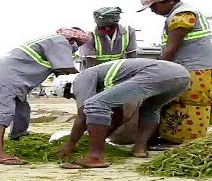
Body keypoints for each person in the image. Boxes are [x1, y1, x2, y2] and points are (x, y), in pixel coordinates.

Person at [58, 59, 190, 168]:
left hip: (157, 73)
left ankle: (95, 157)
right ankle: (139, 149)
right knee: (150, 108)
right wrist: (102, 136)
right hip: (182, 75)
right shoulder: (103, 77)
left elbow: (83, 113)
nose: (75, 97)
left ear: (68, 86)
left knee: (94, 104)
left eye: (70, 95)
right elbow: (120, 115)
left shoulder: (81, 78)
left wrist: (70, 144)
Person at [0, 28, 88, 165]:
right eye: (78, 45)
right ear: (72, 40)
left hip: (13, 77)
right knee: (4, 113)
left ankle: (18, 137)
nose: (76, 49)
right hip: (6, 77)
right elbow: (67, 70)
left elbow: (61, 75)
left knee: (22, 110)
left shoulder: (50, 42)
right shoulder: (60, 42)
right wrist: (87, 81)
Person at [138, 0, 212, 143]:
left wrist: (159, 70)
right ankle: (171, 137)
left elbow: (171, 48)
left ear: (169, 1)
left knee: (190, 103)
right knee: (175, 101)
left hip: (195, 70)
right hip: (190, 67)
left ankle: (181, 141)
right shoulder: (177, 14)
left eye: (153, 6)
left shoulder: (182, 15)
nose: (152, 10)